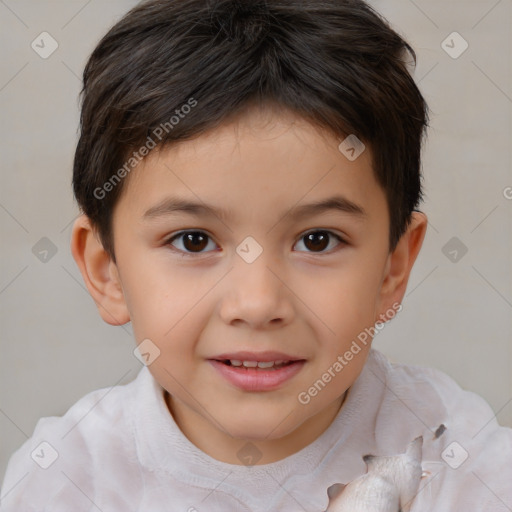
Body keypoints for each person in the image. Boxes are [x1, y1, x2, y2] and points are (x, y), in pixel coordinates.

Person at [1, 0, 510, 510]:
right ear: (106, 271)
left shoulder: (459, 467)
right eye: (193, 240)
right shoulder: (64, 479)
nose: (258, 302)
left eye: (318, 240)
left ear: (392, 269)